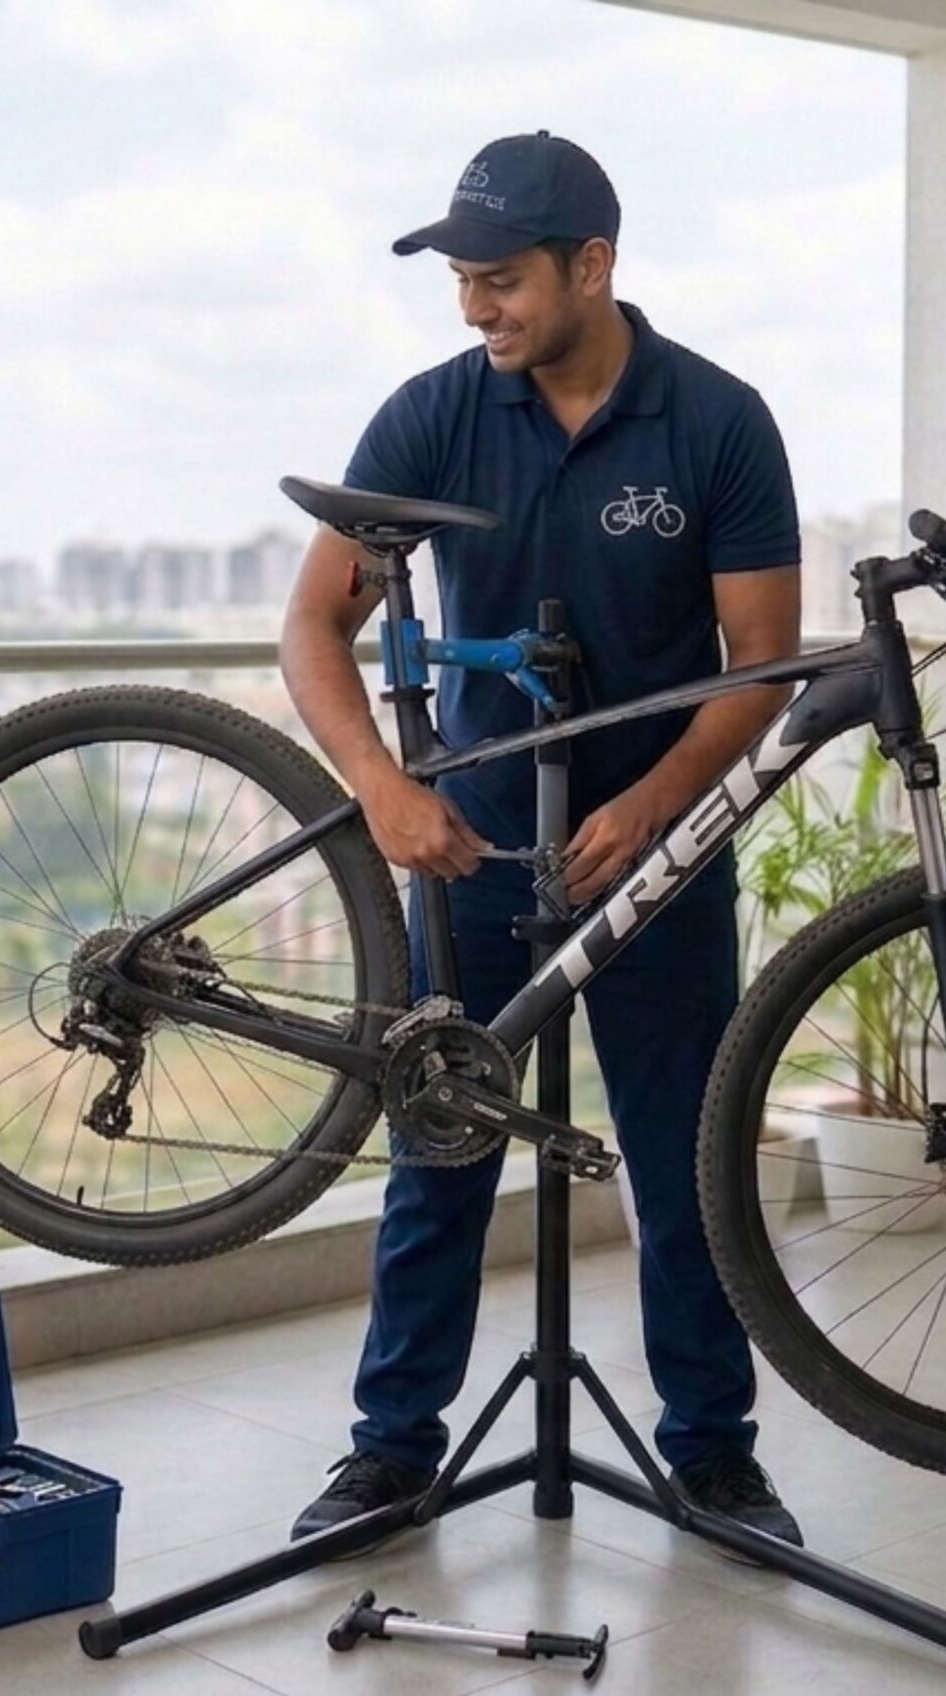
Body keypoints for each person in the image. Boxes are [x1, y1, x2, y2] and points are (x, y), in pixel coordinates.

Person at [278, 133, 806, 1548]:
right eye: (460, 281)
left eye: (499, 280)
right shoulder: (432, 413)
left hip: (663, 847)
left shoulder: (718, 420)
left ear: (593, 265)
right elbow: (313, 621)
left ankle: (715, 1455)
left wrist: (658, 806)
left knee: (688, 1158)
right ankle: (391, 1450)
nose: (475, 310)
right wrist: (386, 785)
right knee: (437, 1150)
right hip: (471, 838)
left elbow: (762, 662)